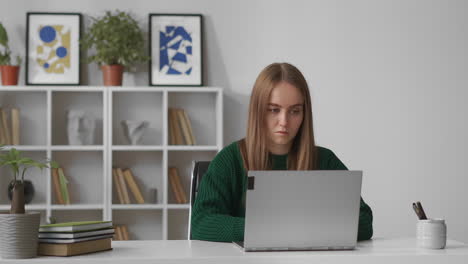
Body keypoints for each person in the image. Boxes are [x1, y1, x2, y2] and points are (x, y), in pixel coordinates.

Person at [191, 62, 373, 242]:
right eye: (273, 110)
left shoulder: (325, 160)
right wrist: (269, 229)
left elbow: (364, 221)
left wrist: (296, 230)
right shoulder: (229, 159)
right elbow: (201, 223)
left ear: (304, 114)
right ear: (257, 111)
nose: (284, 121)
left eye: (294, 111)